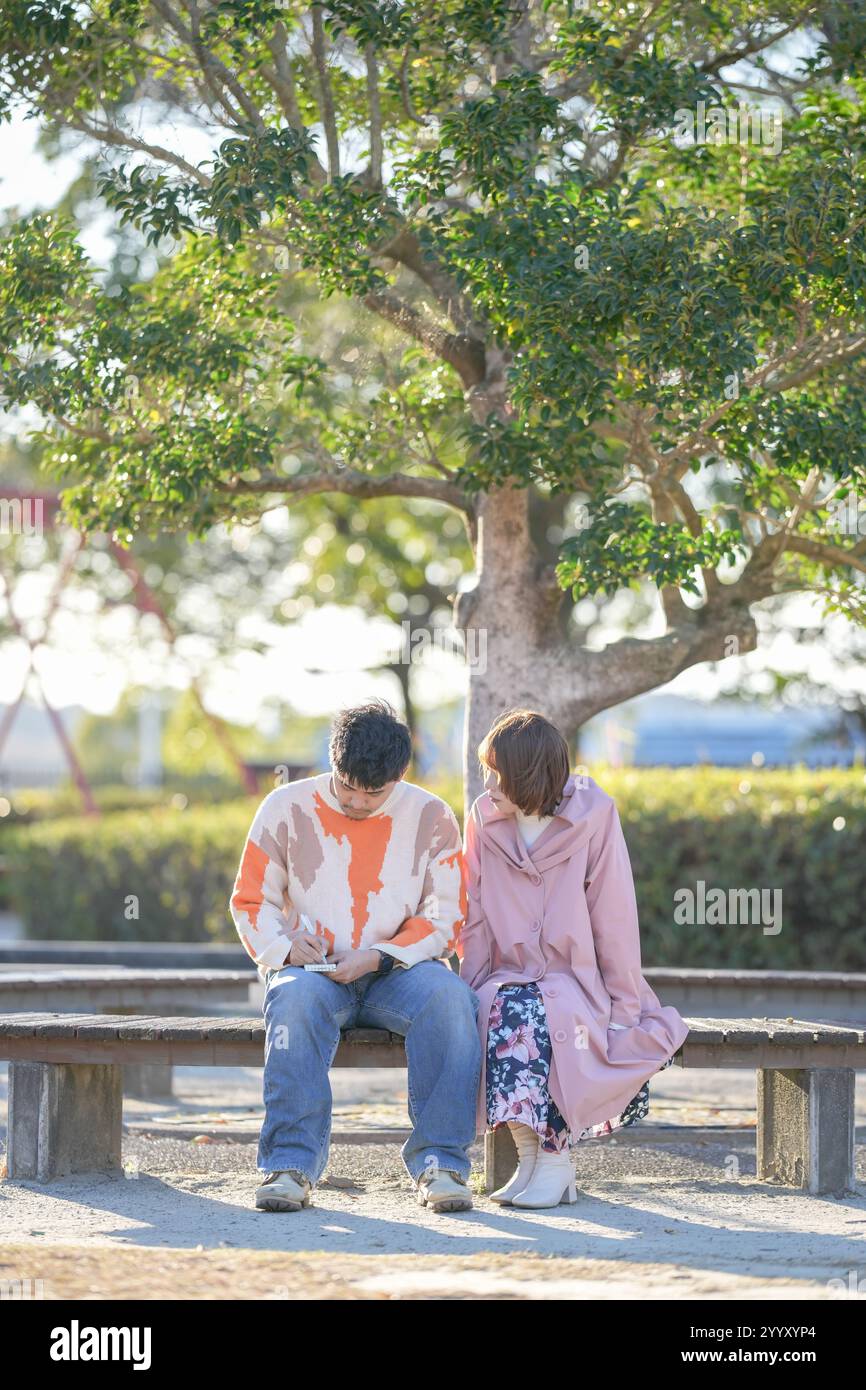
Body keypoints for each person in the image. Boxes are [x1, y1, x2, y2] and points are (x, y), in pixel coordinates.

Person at [229, 699, 481, 1214]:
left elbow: (445, 917)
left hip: (400, 971)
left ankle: (442, 1165)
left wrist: (378, 956)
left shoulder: (432, 816)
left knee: (453, 1001)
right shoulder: (285, 807)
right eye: (346, 786)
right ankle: (290, 1166)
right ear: (332, 760)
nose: (359, 803)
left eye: (375, 793)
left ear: (400, 776)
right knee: (293, 1004)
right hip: (313, 972)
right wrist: (284, 948)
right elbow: (252, 900)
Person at [460, 708, 690, 1209]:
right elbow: (474, 914)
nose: (488, 783)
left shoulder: (594, 815)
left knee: (540, 1018)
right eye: (487, 769)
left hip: (576, 981)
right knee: (500, 1010)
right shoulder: (483, 817)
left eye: (499, 772)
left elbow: (614, 917)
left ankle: (557, 1161)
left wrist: (626, 1008)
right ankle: (529, 1159)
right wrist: (467, 988)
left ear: (529, 775)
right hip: (505, 974)